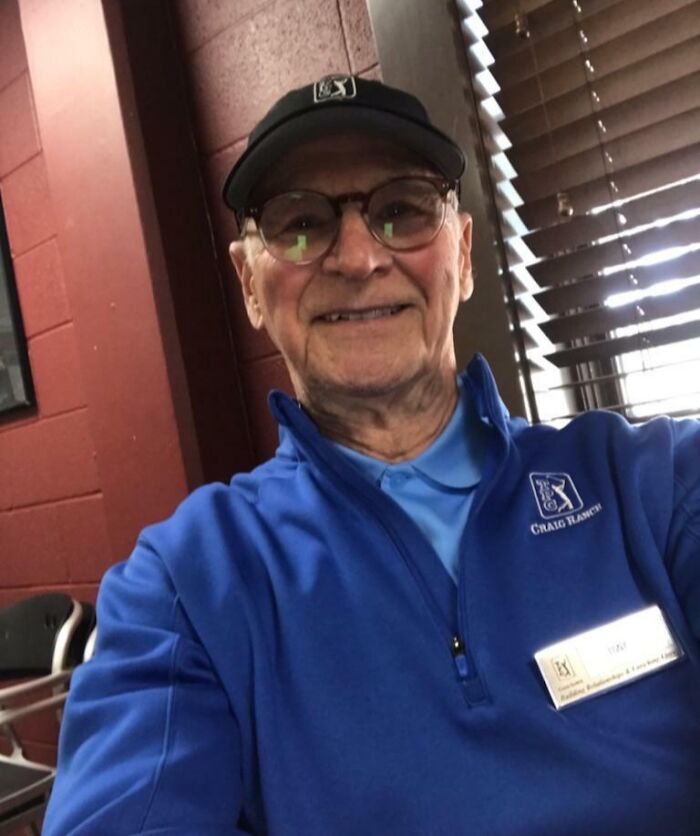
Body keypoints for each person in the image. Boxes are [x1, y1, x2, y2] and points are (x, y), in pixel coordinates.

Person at [43, 74, 700, 836]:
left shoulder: (653, 486)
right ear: (249, 285)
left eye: (402, 210)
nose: (356, 257)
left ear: (462, 249)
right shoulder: (185, 587)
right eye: (299, 223)